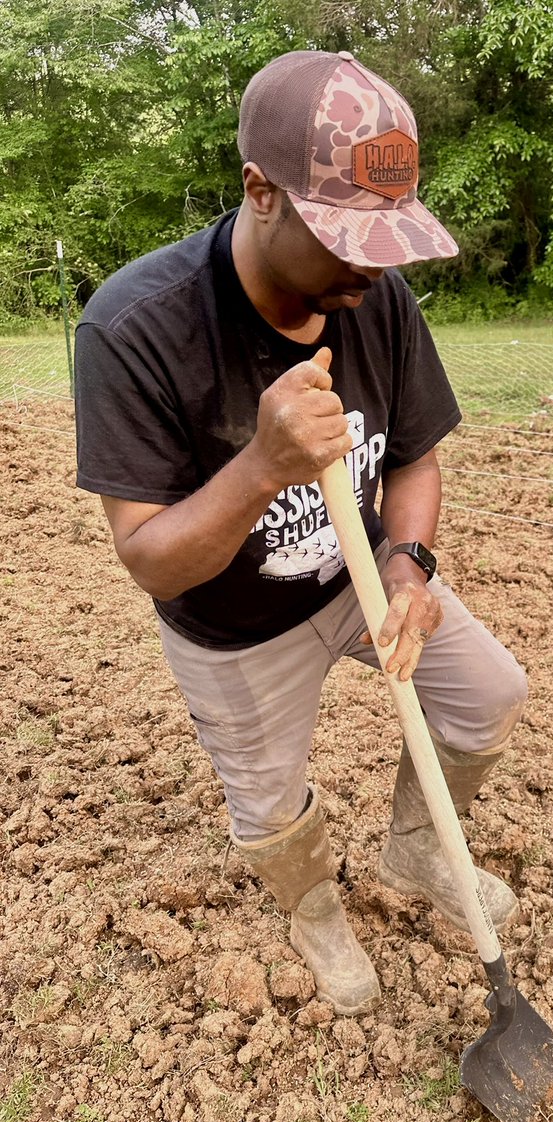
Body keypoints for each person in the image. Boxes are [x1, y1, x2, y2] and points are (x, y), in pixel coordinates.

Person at [73, 50, 528, 1017]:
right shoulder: (137, 327)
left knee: (490, 693)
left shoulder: (376, 295)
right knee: (271, 807)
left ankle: (417, 855)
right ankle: (314, 908)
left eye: (388, 236)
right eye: (347, 236)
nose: (373, 262)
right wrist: (260, 466)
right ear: (260, 191)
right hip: (234, 627)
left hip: (359, 582)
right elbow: (150, 560)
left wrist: (408, 569)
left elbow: (412, 455)